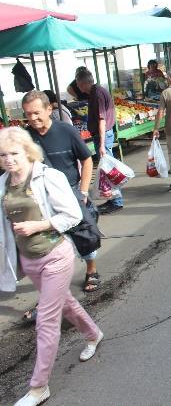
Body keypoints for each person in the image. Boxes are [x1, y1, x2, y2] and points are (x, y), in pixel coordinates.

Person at [0, 127, 103, 406]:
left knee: (46, 320)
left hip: (56, 255)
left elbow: (70, 215)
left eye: (14, 153)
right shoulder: (3, 183)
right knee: (66, 303)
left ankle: (38, 387)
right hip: (29, 261)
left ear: (27, 151)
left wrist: (39, 224)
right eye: (3, 155)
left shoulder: (48, 177)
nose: (9, 159)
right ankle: (93, 334)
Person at [23, 91, 99, 293]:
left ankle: (91, 270)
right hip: (41, 198)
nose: (33, 118)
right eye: (28, 114)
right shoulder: (25, 137)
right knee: (49, 243)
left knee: (84, 234)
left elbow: (87, 159)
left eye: (37, 113)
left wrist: (83, 192)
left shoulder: (67, 131)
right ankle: (54, 287)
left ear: (49, 109)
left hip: (71, 193)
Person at [75, 69, 122, 215]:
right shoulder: (98, 91)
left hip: (103, 135)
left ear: (82, 83)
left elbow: (102, 120)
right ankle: (112, 198)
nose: (78, 87)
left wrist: (101, 144)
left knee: (109, 170)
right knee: (106, 170)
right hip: (104, 134)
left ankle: (117, 201)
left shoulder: (97, 94)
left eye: (78, 83)